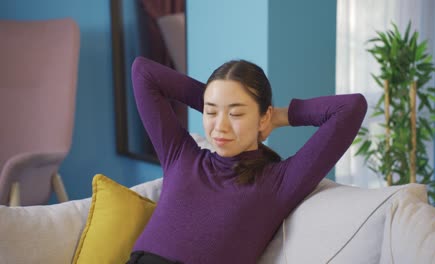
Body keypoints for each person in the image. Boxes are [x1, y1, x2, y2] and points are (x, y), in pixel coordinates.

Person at [127, 56, 367, 264]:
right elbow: (143, 72)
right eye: (210, 112)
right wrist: (218, 97)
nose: (220, 126)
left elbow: (351, 108)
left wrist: (277, 117)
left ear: (263, 118)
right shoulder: (180, 156)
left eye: (236, 113)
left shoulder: (278, 182)